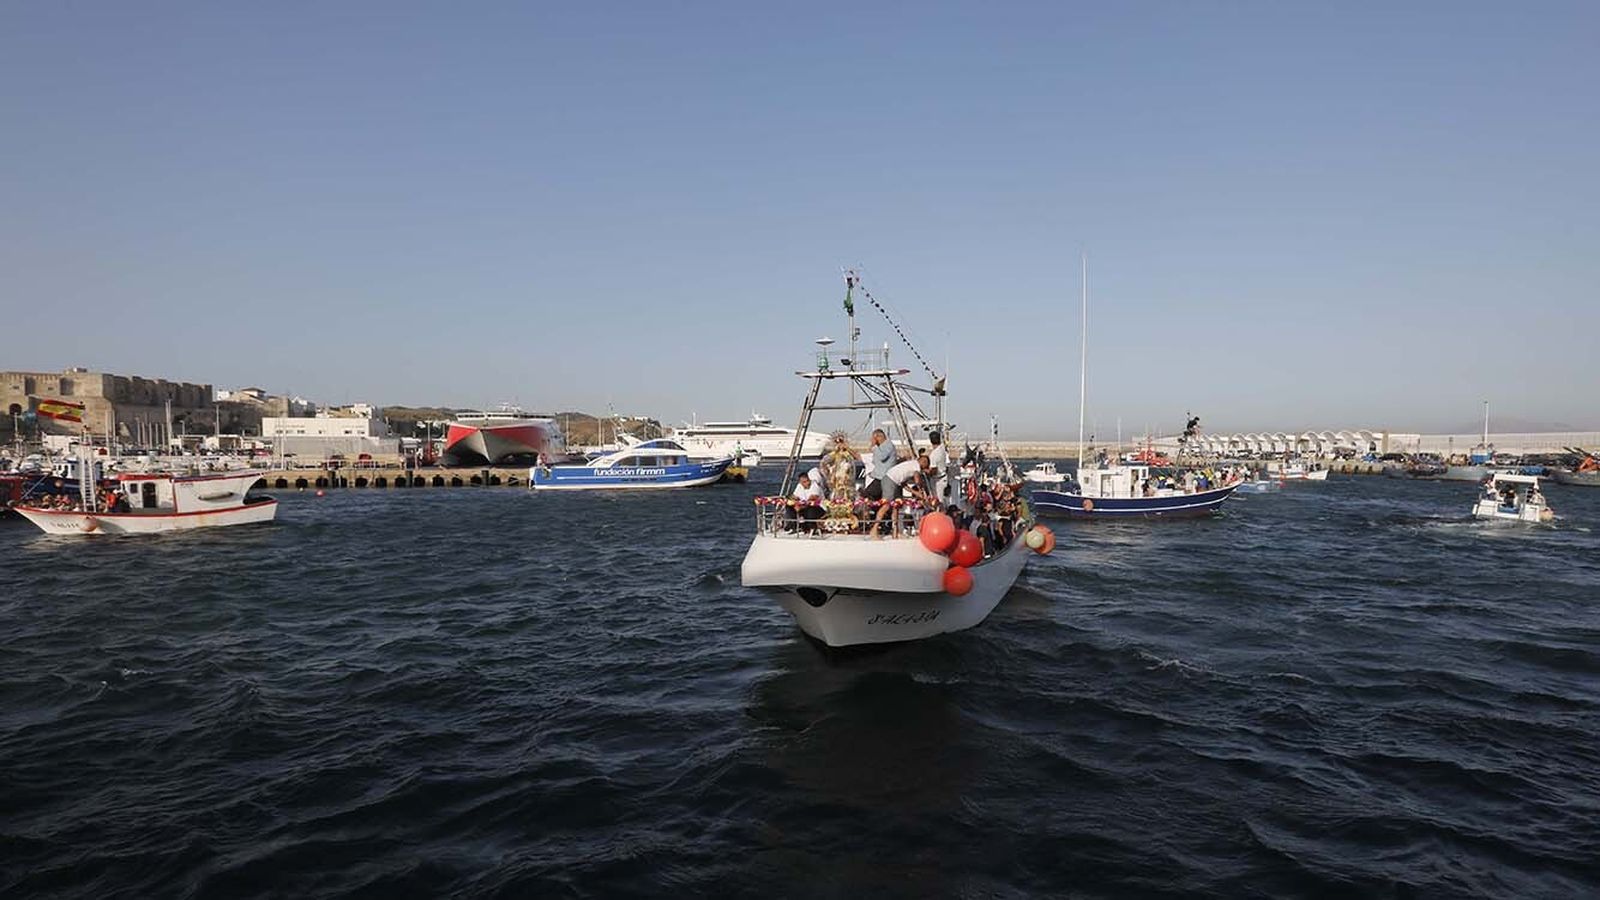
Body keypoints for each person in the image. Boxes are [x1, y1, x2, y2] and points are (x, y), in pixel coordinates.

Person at [871, 452, 930, 537]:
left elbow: (904, 484)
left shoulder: (910, 466)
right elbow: (917, 480)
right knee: (886, 505)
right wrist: (922, 490)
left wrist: (916, 493)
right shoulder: (916, 465)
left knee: (896, 507)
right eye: (926, 465)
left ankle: (895, 532)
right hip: (890, 480)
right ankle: (874, 529)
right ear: (923, 462)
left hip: (895, 482)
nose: (924, 468)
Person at [927, 430, 949, 505]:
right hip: (943, 478)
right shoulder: (942, 448)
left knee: (937, 502)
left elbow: (934, 470)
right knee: (941, 500)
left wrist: (926, 471)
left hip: (937, 481)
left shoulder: (934, 454)